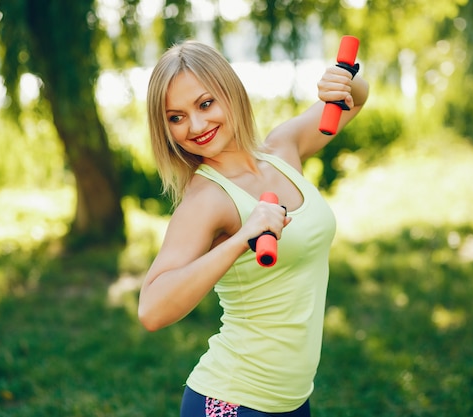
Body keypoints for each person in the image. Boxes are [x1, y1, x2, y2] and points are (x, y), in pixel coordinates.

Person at [138, 40, 369, 417]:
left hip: (290, 400)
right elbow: (152, 310)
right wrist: (241, 240)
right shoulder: (206, 200)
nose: (196, 126)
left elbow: (355, 101)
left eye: (205, 103)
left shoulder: (282, 150)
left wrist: (346, 82)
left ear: (231, 92)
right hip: (234, 400)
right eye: (176, 117)